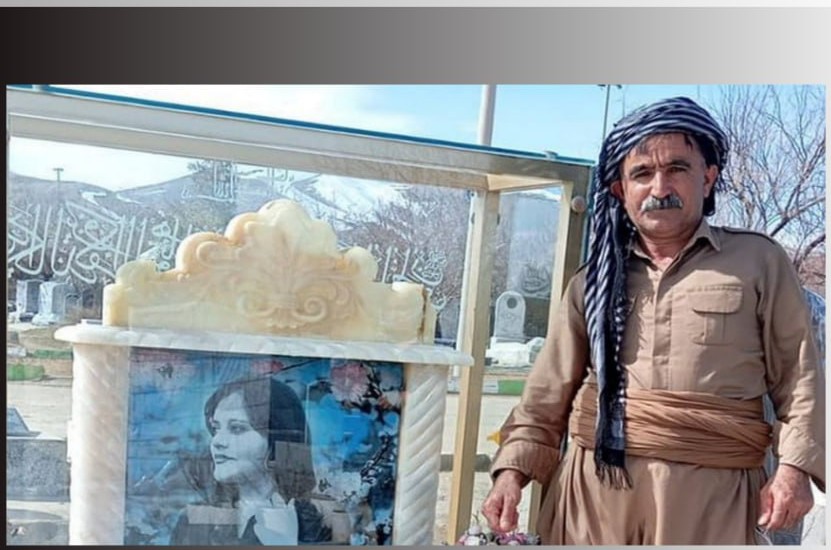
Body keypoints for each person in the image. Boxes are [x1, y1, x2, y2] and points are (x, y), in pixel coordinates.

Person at [481, 97, 825, 545]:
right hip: (593, 498)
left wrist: (795, 469)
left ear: (708, 177)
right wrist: (511, 473)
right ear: (620, 189)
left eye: (677, 168)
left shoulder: (758, 261)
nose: (660, 186)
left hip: (711, 498)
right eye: (642, 173)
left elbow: (800, 377)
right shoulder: (593, 281)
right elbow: (547, 393)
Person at [170, 376, 332, 545]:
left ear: (275, 441)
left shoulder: (314, 524)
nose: (217, 441)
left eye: (237, 428)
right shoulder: (194, 519)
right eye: (216, 428)